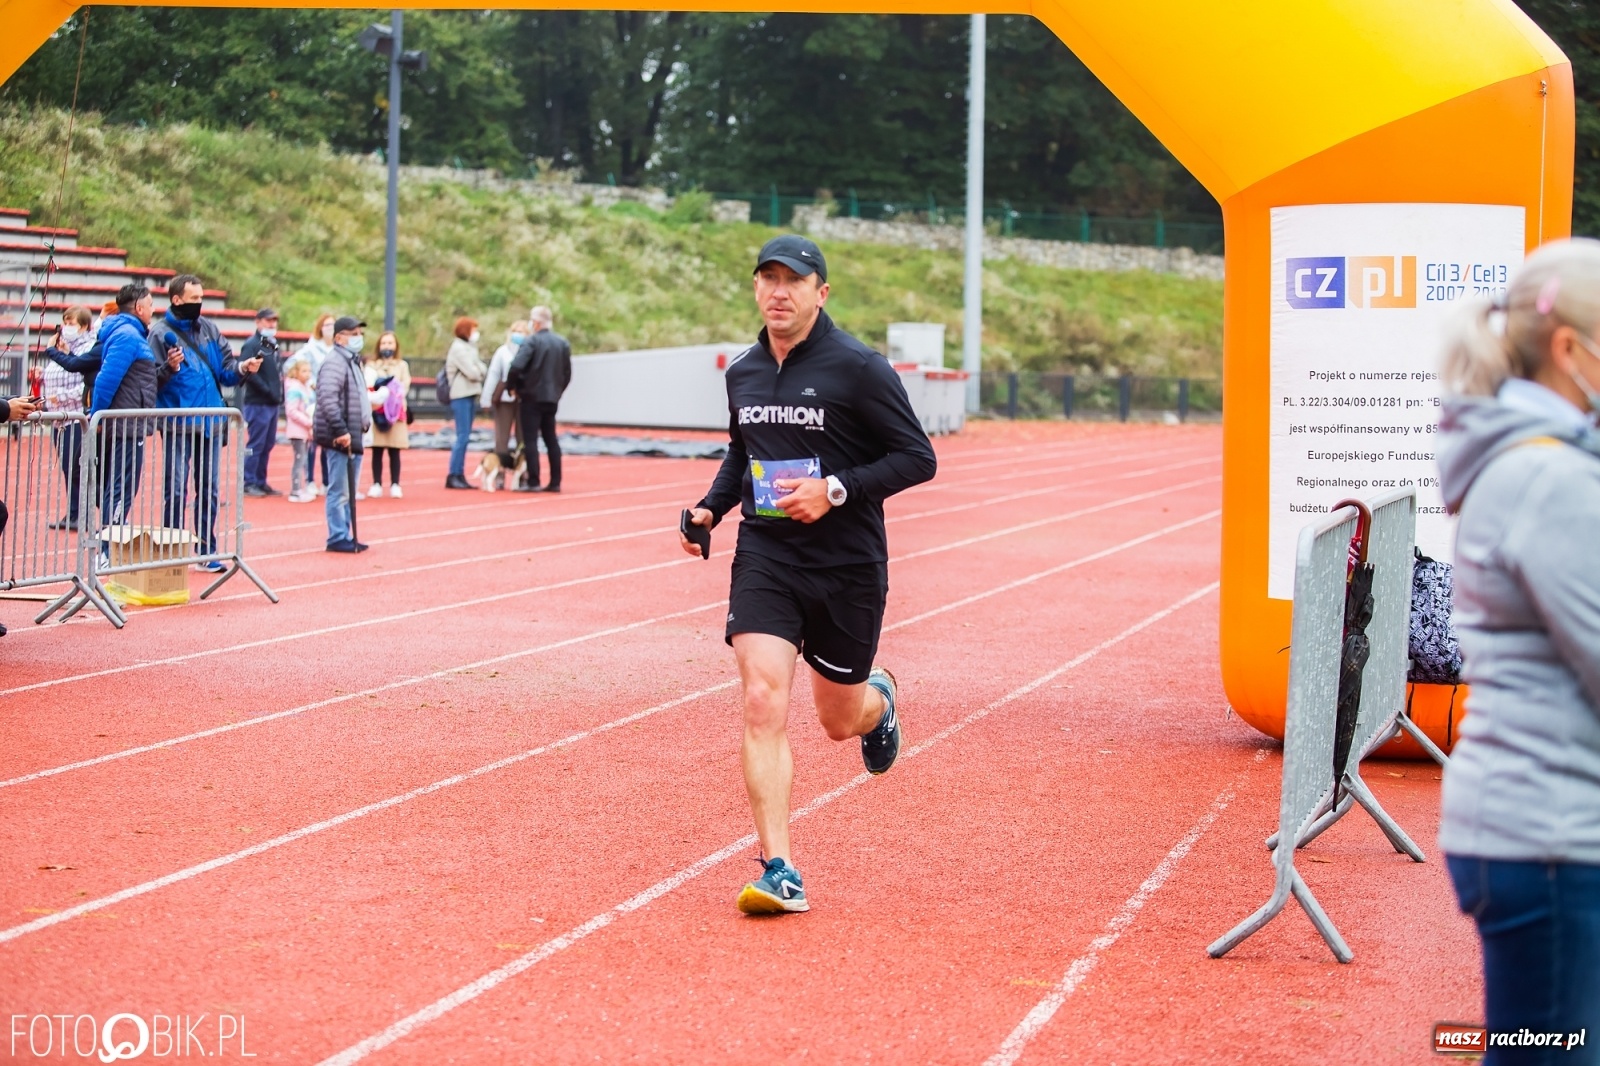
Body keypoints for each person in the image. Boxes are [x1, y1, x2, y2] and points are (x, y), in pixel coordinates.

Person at [678, 235, 937, 914]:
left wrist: (837, 490)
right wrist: (710, 507)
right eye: (767, 279)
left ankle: (877, 703)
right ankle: (779, 868)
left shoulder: (859, 368)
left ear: (821, 292)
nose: (778, 292)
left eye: (793, 280)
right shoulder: (743, 372)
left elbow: (917, 457)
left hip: (847, 565)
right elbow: (743, 453)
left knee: (837, 718)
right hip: (767, 555)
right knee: (763, 700)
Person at [1435, 236, 1600, 1060]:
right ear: (1571, 350)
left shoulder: (1549, 467)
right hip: (1551, 835)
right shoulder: (1550, 481)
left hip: (1541, 827)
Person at [150, 274, 263, 573]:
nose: (199, 304)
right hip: (177, 422)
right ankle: (170, 551)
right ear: (176, 300)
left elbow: (225, 371)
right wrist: (169, 368)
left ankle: (205, 549)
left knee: (209, 489)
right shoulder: (160, 334)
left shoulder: (210, 329)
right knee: (176, 489)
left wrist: (243, 368)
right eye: (193, 299)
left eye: (201, 298)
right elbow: (150, 381)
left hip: (211, 422)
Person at [90, 283, 161, 534]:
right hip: (126, 424)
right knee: (121, 487)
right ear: (139, 308)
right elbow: (106, 379)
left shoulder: (128, 333)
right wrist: (96, 417)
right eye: (151, 305)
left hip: (127, 421)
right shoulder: (127, 336)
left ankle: (110, 543)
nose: (153, 310)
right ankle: (109, 548)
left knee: (118, 485)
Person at [313, 316, 370, 553]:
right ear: (339, 338)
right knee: (339, 489)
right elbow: (327, 398)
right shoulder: (336, 362)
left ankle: (345, 533)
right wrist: (341, 430)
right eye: (354, 333)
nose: (359, 338)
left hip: (352, 434)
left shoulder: (350, 361)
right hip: (341, 437)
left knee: (348, 489)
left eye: (360, 333)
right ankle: (337, 535)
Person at [42, 305, 95, 530]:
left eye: (71, 323)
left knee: (76, 467)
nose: (67, 327)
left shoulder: (88, 348)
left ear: (84, 326)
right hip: (59, 420)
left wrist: (58, 398)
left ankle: (82, 514)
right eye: (65, 323)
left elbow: (85, 385)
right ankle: (74, 513)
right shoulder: (63, 348)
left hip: (76, 417)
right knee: (67, 468)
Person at [509, 306, 572, 493]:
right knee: (551, 439)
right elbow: (567, 373)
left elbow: (516, 366)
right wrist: (558, 391)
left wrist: (513, 387)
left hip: (531, 397)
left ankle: (533, 480)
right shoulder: (562, 343)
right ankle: (555, 481)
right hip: (551, 398)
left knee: (530, 440)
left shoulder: (532, 342)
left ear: (535, 323)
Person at [238, 308, 285, 497]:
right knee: (256, 443)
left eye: (274, 321)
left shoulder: (272, 344)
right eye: (268, 321)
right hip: (258, 402)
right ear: (258, 322)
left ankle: (260, 480)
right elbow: (248, 373)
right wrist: (267, 390)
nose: (272, 325)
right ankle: (249, 481)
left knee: (268, 443)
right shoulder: (251, 344)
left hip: (271, 402)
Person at [365, 331, 410, 498]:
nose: (387, 347)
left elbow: (404, 386)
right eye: (384, 343)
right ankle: (376, 483)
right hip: (376, 411)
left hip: (396, 412)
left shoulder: (402, 366)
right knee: (377, 450)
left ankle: (395, 484)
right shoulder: (372, 365)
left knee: (394, 449)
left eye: (390, 343)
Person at [444, 317, 486, 489]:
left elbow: (481, 368)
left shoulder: (469, 348)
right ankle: (454, 473)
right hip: (461, 395)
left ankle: (459, 473)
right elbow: (473, 372)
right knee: (462, 436)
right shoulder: (459, 349)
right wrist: (478, 370)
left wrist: (478, 369)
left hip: (469, 395)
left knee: (465, 436)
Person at [299, 313, 337, 497]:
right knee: (312, 442)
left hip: (330, 401)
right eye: (327, 324)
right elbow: (295, 365)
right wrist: (310, 382)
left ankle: (327, 481)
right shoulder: (311, 348)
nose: (330, 328)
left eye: (333, 324)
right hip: (313, 401)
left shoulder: (338, 349)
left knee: (327, 443)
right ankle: (310, 480)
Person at [482, 320, 526, 476]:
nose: (519, 334)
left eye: (522, 331)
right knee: (502, 437)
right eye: (516, 331)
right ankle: (499, 471)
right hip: (504, 399)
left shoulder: (530, 350)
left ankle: (522, 472)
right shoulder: (502, 352)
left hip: (524, 399)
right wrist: (486, 398)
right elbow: (493, 374)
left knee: (523, 437)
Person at [283, 358, 316, 502]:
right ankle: (295, 490)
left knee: (303, 460)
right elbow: (291, 410)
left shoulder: (306, 388)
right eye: (304, 371)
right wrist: (308, 421)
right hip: (298, 431)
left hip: (305, 431)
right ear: (296, 372)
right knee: (299, 460)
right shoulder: (294, 388)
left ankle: (300, 488)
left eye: (309, 371)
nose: (307, 374)